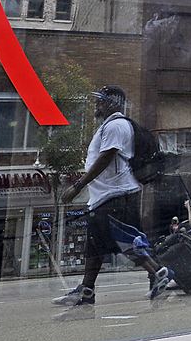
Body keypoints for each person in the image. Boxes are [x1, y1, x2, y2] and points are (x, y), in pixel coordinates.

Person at [53, 85, 172, 320]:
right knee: (95, 246)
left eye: (101, 100)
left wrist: (78, 186)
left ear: (113, 103)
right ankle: (86, 292)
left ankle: (159, 272)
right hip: (106, 196)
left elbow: (106, 156)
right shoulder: (108, 126)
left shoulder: (116, 125)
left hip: (116, 196)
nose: (96, 104)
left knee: (125, 241)